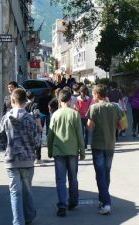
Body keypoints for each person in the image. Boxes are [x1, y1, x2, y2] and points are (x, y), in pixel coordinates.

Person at [0, 88, 41, 225]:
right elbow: (37, 141)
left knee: (15, 193)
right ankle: (29, 216)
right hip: (27, 160)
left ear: (12, 100)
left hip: (11, 160)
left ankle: (18, 222)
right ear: (25, 101)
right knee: (27, 190)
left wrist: (7, 146)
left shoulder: (6, 119)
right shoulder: (30, 119)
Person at [47, 89, 85, 217]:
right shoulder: (74, 114)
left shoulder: (55, 115)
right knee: (73, 178)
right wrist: (82, 151)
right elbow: (80, 134)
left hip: (58, 152)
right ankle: (73, 201)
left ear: (59, 100)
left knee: (60, 180)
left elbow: (50, 135)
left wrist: (50, 150)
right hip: (72, 151)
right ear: (70, 100)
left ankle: (62, 205)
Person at [87, 84, 123, 215]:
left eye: (93, 93)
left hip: (97, 144)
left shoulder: (94, 108)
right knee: (106, 172)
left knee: (100, 174)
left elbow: (89, 127)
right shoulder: (115, 107)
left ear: (96, 94)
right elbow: (122, 126)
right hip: (110, 144)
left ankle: (106, 202)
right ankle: (103, 199)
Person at [25, 91, 44, 164]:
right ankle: (38, 158)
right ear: (33, 97)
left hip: (26, 126)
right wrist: (40, 127)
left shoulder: (23, 105)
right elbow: (37, 117)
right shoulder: (35, 105)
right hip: (34, 126)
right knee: (38, 142)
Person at [75, 85, 92, 150]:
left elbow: (75, 108)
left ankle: (81, 145)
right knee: (86, 132)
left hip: (79, 117)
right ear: (86, 91)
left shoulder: (77, 99)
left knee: (80, 132)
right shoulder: (89, 99)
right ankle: (85, 146)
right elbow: (90, 108)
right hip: (87, 117)